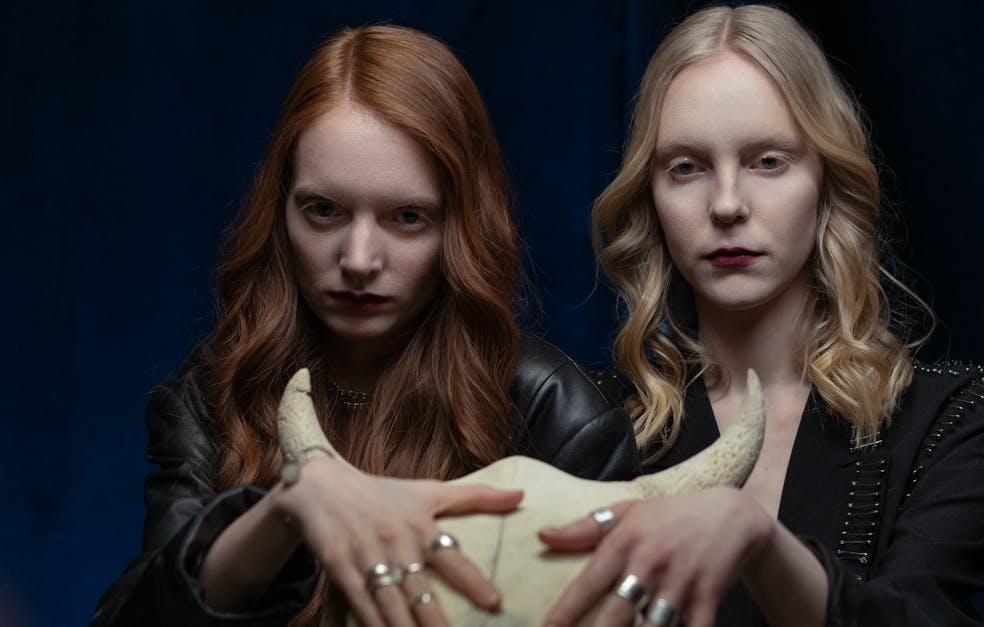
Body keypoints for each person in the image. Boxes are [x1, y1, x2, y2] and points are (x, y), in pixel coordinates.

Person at [91, 25, 639, 627]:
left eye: (407, 217)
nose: (357, 259)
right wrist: (280, 517)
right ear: (281, 213)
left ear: (460, 228)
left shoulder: (558, 417)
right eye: (323, 210)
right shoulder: (210, 394)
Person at [537, 5, 984, 626]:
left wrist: (754, 535)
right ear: (650, 196)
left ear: (827, 179)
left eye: (767, 161)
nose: (725, 204)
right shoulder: (585, 425)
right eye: (685, 167)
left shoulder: (955, 419)